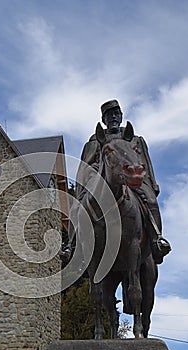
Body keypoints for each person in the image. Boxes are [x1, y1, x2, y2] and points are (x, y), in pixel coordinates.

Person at [72, 99, 171, 264]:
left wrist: (151, 184)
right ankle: (72, 245)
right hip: (103, 180)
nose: (113, 117)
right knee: (78, 206)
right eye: (109, 115)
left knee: (151, 201)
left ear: (121, 116)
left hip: (133, 177)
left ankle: (157, 240)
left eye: (116, 114)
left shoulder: (134, 139)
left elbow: (144, 161)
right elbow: (86, 166)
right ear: (104, 119)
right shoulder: (95, 140)